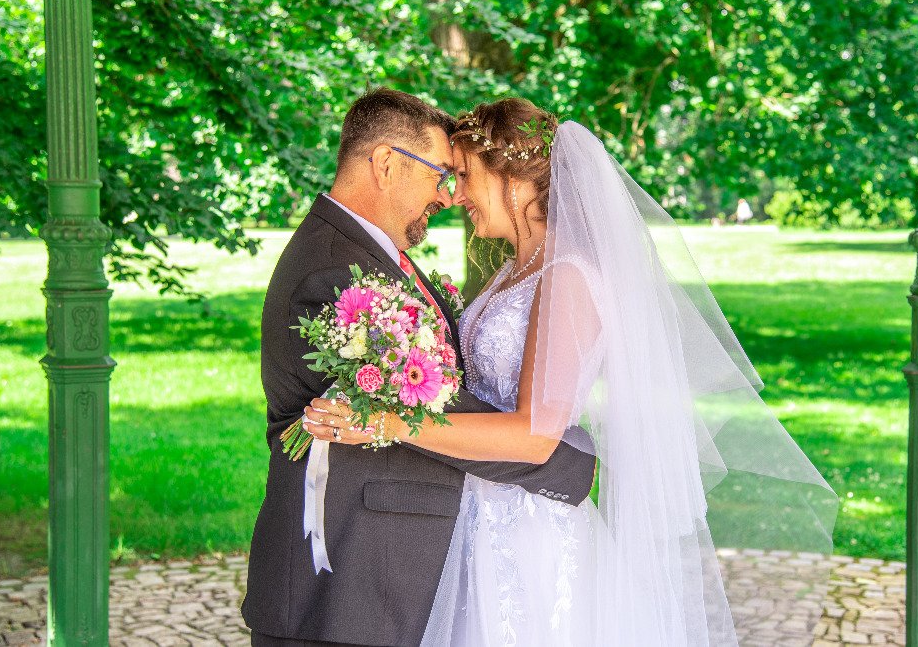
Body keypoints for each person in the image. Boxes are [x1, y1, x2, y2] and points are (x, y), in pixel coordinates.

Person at [306, 99, 839, 645]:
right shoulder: (516, 270)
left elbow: (536, 436)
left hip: (528, 531)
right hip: (479, 510)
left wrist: (390, 424)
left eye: (464, 175)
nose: (455, 194)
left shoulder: (566, 277)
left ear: (513, 180)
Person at [242, 89, 597, 647]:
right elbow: (431, 405)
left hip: (437, 554)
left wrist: (539, 438)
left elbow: (432, 403)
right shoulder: (331, 272)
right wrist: (562, 463)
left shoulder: (371, 257)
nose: (448, 195)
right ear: (386, 164)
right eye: (442, 174)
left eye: (461, 176)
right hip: (346, 582)